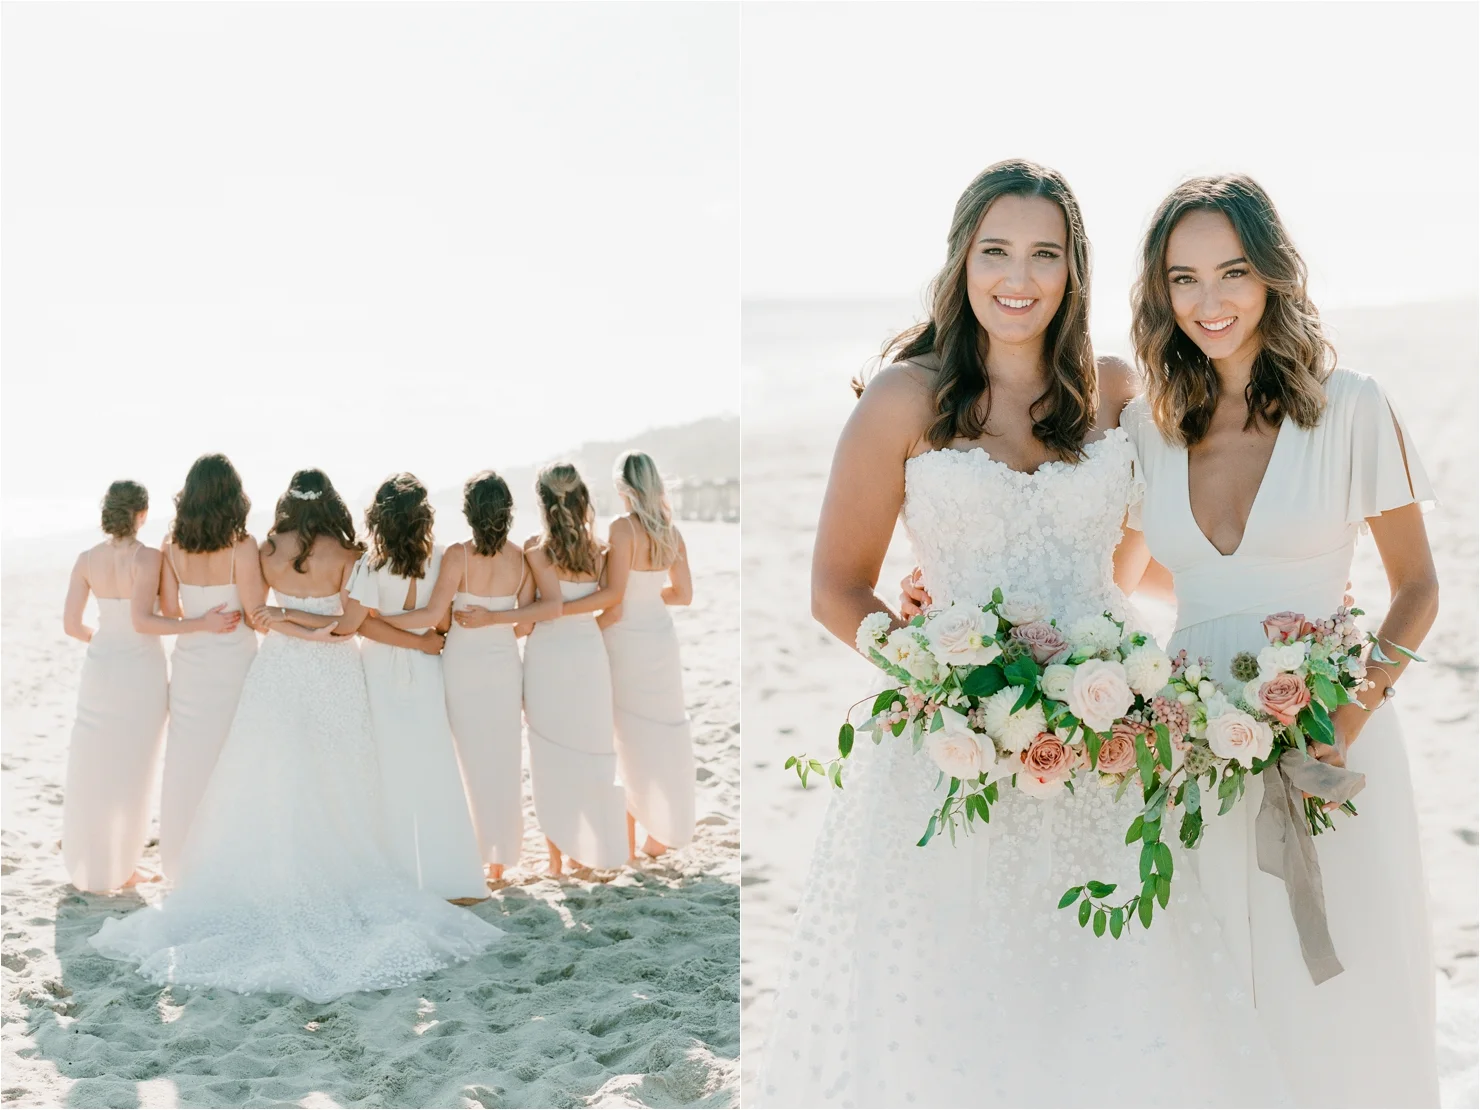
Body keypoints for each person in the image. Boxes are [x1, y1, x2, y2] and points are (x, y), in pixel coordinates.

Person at [89, 469, 500, 1002]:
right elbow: (348, 624)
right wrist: (320, 628)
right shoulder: (349, 554)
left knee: (272, 775)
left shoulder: (266, 548)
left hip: (279, 670)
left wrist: (288, 618)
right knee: (338, 777)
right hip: (334, 672)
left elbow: (260, 617)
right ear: (331, 504)